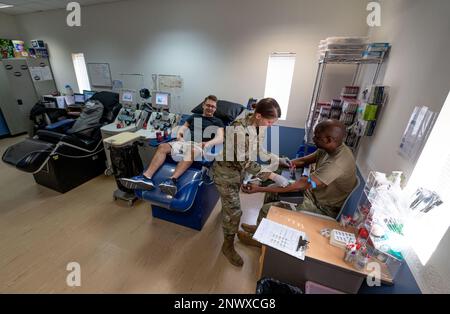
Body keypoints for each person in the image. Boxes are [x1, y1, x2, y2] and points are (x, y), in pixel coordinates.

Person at [238, 119, 357, 247]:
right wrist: (283, 162)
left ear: (329, 140)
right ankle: (260, 228)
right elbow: (304, 161)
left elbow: (302, 184)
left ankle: (259, 240)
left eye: (317, 137)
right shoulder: (329, 148)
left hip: (321, 207)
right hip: (311, 194)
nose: (313, 138)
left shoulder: (338, 163)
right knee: (272, 190)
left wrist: (259, 189)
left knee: (268, 209)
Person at [211, 98, 291, 267]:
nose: (270, 125)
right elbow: (246, 162)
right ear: (259, 115)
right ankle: (227, 247)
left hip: (238, 172)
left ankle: (226, 214)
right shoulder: (237, 129)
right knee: (235, 212)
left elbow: (258, 149)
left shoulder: (259, 124)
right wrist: (273, 176)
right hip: (225, 173)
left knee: (229, 206)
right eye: (269, 121)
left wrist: (277, 159)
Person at [120, 95, 224, 196]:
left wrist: (208, 143)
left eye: (213, 106)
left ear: (215, 109)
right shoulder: (194, 116)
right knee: (162, 147)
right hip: (186, 143)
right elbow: (183, 128)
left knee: (192, 151)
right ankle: (146, 178)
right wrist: (179, 136)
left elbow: (220, 138)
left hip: (201, 146)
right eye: (208, 105)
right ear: (203, 105)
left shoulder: (217, 122)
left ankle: (171, 180)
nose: (210, 108)